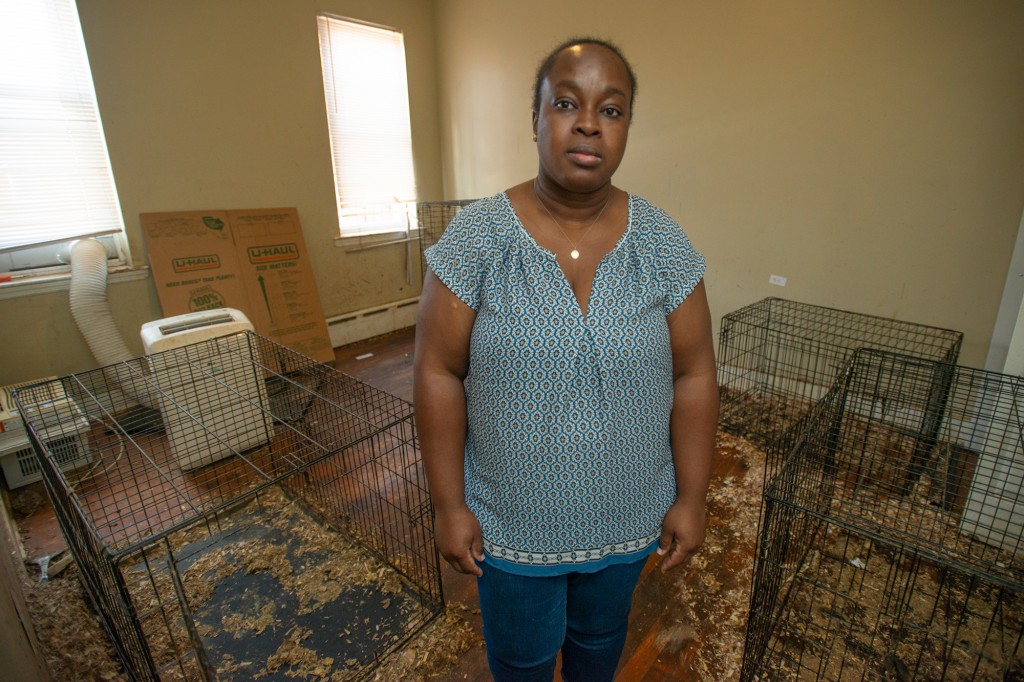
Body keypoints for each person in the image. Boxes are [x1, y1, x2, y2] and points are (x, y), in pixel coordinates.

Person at [413, 36, 719, 682]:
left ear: (627, 126)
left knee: (598, 649)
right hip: (510, 528)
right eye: (566, 103)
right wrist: (449, 505)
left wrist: (692, 496)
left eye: (611, 110)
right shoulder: (478, 240)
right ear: (535, 119)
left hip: (627, 519)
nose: (588, 124)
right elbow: (437, 371)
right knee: (521, 661)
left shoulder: (662, 242)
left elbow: (695, 375)